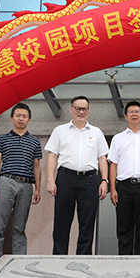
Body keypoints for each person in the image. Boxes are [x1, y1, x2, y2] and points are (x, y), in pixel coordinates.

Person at [45, 96, 109, 255]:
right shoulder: (60, 131)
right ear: (71, 109)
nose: (81, 112)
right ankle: (59, 258)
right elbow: (52, 156)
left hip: (89, 180)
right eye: (78, 108)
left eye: (84, 109)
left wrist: (104, 180)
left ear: (88, 110)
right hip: (66, 178)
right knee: (62, 220)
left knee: (87, 222)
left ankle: (84, 258)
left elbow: (102, 158)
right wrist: (51, 180)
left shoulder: (96, 132)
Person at [0, 103, 43, 266]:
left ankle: (19, 262)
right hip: (6, 182)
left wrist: (38, 189)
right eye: (18, 115)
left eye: (24, 116)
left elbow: (36, 166)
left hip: (26, 185)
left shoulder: (34, 141)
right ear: (12, 118)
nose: (21, 119)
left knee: (20, 227)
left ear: (29, 119)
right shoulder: (2, 139)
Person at [108, 101, 140, 255]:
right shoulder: (118, 139)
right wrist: (113, 189)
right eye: (131, 112)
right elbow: (113, 165)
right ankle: (124, 259)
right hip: (123, 186)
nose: (134, 114)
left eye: (137, 111)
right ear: (126, 116)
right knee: (124, 225)